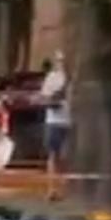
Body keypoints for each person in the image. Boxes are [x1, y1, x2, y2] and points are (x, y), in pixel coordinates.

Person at [38, 52, 71, 201]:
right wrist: (55, 99)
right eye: (59, 60)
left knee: (66, 157)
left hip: (70, 121)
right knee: (53, 156)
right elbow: (44, 98)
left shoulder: (75, 78)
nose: (62, 63)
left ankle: (65, 189)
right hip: (54, 121)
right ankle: (52, 189)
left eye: (64, 60)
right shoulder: (52, 77)